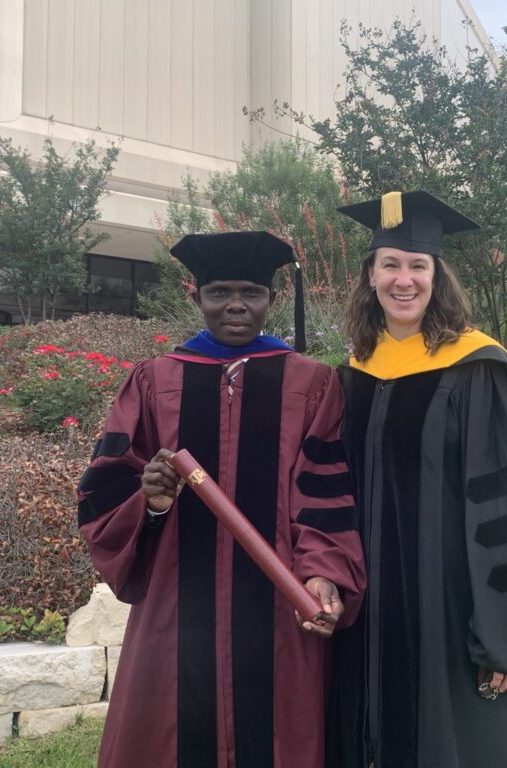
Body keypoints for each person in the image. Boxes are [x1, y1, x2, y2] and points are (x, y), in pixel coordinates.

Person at [328, 192, 507, 767]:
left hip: (453, 606)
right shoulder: (352, 372)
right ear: (370, 276)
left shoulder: (476, 368)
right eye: (390, 265)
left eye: (417, 266)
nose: (403, 280)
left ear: (437, 276)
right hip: (371, 610)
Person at [78, 230, 366, 768]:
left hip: (281, 610)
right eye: (220, 293)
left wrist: (323, 574)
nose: (236, 305)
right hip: (176, 606)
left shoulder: (313, 385)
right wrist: (153, 501)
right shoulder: (152, 380)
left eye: (251, 293)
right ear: (197, 299)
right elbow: (106, 489)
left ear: (272, 301)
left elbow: (328, 493)